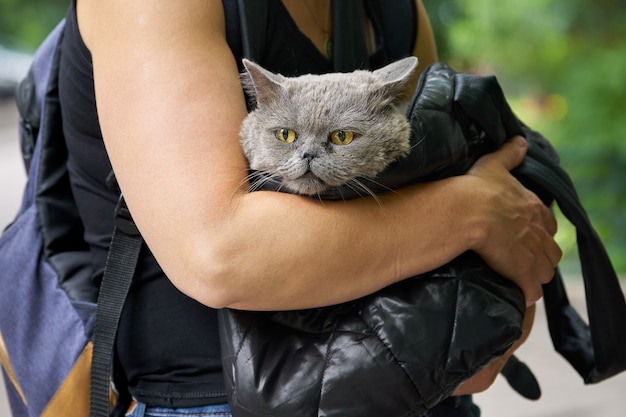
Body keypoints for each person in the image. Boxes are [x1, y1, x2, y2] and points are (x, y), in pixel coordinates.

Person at [59, 0, 561, 415]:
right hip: (218, 400)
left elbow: (439, 164)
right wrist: (472, 212)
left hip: (421, 388)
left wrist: (484, 322)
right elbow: (221, 256)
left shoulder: (395, 10)